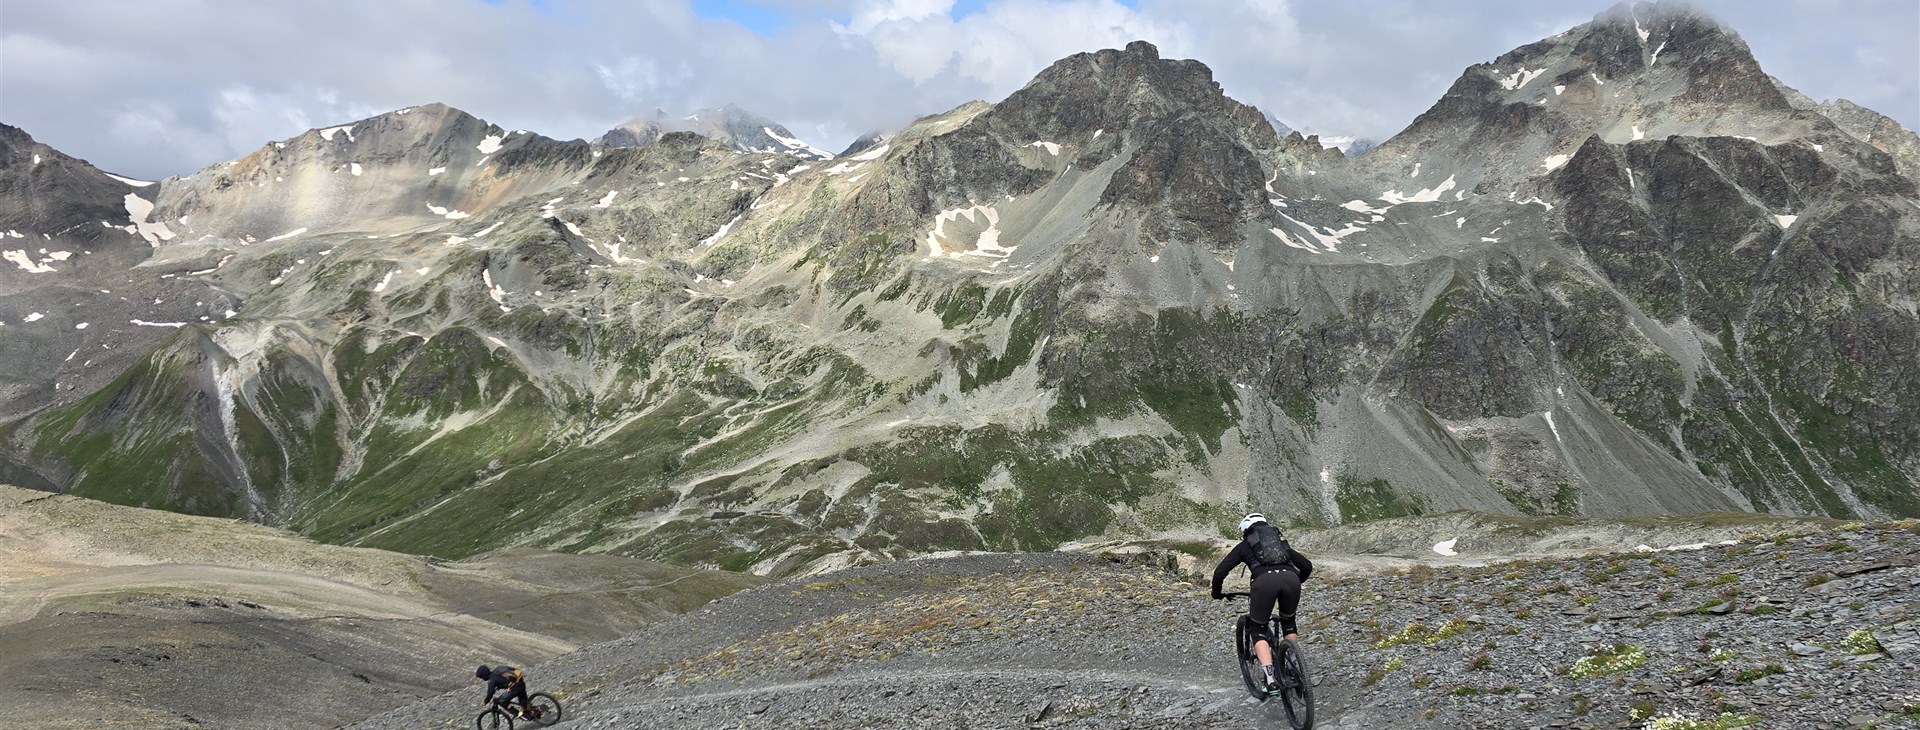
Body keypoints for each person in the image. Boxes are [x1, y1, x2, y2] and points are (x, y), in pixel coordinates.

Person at [1210, 512, 1313, 688]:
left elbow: (1220, 572)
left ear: (1246, 530)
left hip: (1264, 583)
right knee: (1288, 622)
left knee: (1258, 630)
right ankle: (1293, 665)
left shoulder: (1244, 546)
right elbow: (1307, 566)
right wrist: (1295, 581)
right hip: (1291, 580)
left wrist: (1217, 592)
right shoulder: (1279, 543)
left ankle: (1271, 681)